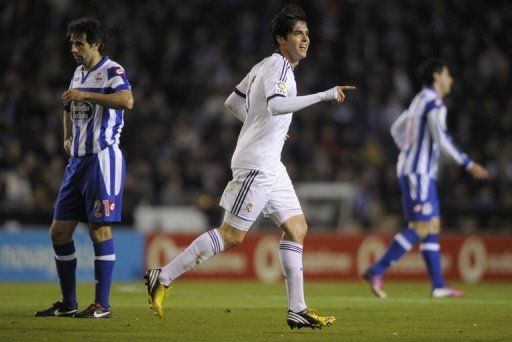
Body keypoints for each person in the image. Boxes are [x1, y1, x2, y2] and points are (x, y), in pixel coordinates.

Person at [145, 4, 354, 329]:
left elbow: (233, 102)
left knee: (297, 228)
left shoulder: (264, 66)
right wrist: (324, 95)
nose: (305, 39)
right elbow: (277, 105)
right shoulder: (280, 69)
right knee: (231, 236)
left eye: (307, 33)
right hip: (257, 164)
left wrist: (262, 126)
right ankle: (164, 276)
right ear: (281, 39)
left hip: (271, 164)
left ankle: (297, 309)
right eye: (298, 33)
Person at [363, 59, 488, 299]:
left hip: (419, 172)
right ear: (436, 76)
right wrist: (468, 163)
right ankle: (376, 270)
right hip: (418, 173)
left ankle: (438, 285)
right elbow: (441, 139)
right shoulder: (433, 103)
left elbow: (395, 130)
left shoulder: (418, 101)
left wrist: (408, 151)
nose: (450, 79)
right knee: (420, 227)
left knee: (432, 225)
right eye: (448, 74)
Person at [35, 17, 134, 318]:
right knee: (59, 232)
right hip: (76, 162)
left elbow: (127, 101)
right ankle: (69, 303)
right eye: (72, 43)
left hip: (102, 159)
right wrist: (66, 135)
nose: (74, 48)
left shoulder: (111, 70)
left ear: (96, 44)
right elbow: (68, 105)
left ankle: (102, 305)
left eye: (79, 42)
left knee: (99, 230)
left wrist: (88, 95)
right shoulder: (77, 74)